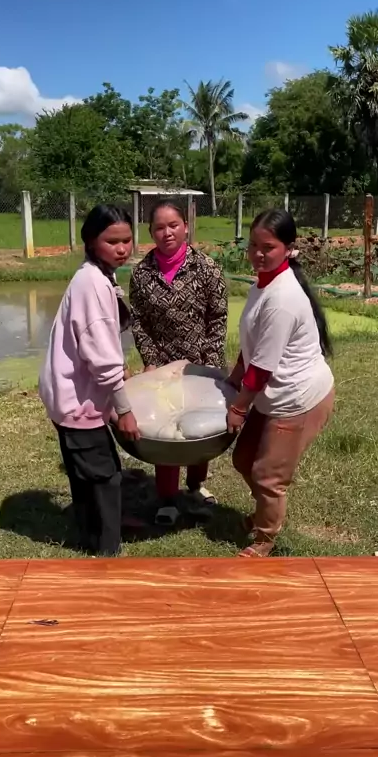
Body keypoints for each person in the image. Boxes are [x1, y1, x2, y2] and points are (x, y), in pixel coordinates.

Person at [227, 208, 334, 558]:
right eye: (253, 245)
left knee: (268, 475)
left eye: (268, 247)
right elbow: (253, 344)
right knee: (244, 459)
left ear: (288, 248)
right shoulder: (263, 283)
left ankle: (265, 538)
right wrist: (233, 378)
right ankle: (263, 512)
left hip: (296, 398)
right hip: (272, 393)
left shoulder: (283, 298)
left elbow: (262, 368)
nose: (258, 254)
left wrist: (238, 408)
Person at [39, 205, 140, 558]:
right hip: (76, 399)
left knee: (85, 473)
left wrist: (118, 376)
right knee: (104, 476)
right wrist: (123, 410)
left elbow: (101, 346)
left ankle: (92, 530)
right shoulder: (92, 283)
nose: (122, 248)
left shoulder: (97, 275)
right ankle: (108, 549)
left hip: (69, 393)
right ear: (91, 241)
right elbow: (100, 355)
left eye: (127, 240)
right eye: (112, 241)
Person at [130, 199, 228, 526]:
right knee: (166, 433)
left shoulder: (206, 267)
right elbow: (139, 322)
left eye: (173, 225)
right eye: (159, 227)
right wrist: (151, 362)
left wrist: (210, 364)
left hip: (203, 365)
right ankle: (168, 498)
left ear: (186, 227)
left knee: (201, 429)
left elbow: (218, 317)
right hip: (163, 369)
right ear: (151, 232)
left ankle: (196, 485)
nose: (167, 232)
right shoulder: (142, 274)